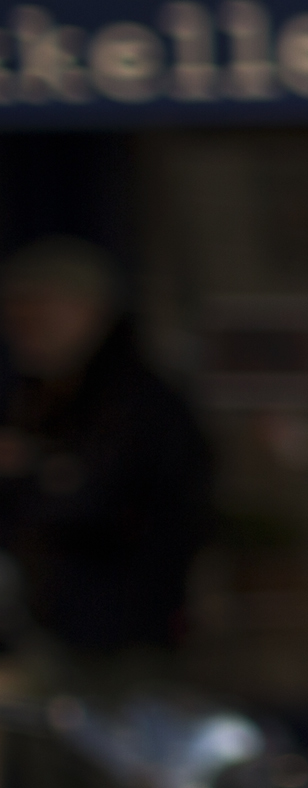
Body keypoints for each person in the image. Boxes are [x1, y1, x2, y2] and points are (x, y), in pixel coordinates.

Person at [0, 235, 211, 675]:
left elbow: (100, 502)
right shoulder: (38, 398)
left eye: (40, 311)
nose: (25, 328)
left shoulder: (136, 405)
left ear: (89, 310)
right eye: (18, 315)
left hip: (119, 645)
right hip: (43, 633)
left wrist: (28, 472)